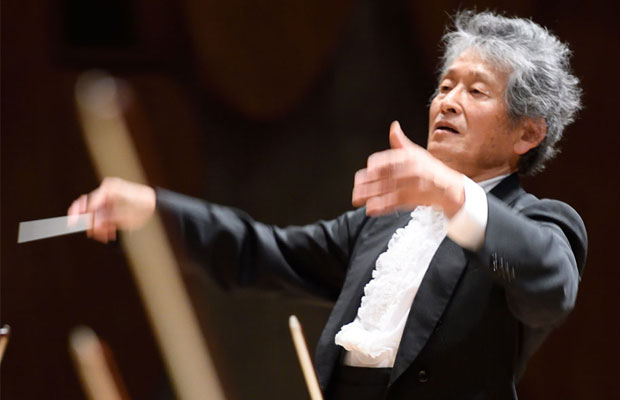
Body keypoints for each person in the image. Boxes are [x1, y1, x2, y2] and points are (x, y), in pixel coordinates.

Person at [68, 10, 587, 400]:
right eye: (446, 86)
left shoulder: (540, 223)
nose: (448, 101)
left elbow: (550, 285)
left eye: (477, 92)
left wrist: (452, 194)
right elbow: (262, 251)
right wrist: (154, 214)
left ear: (527, 133)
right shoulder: (385, 225)